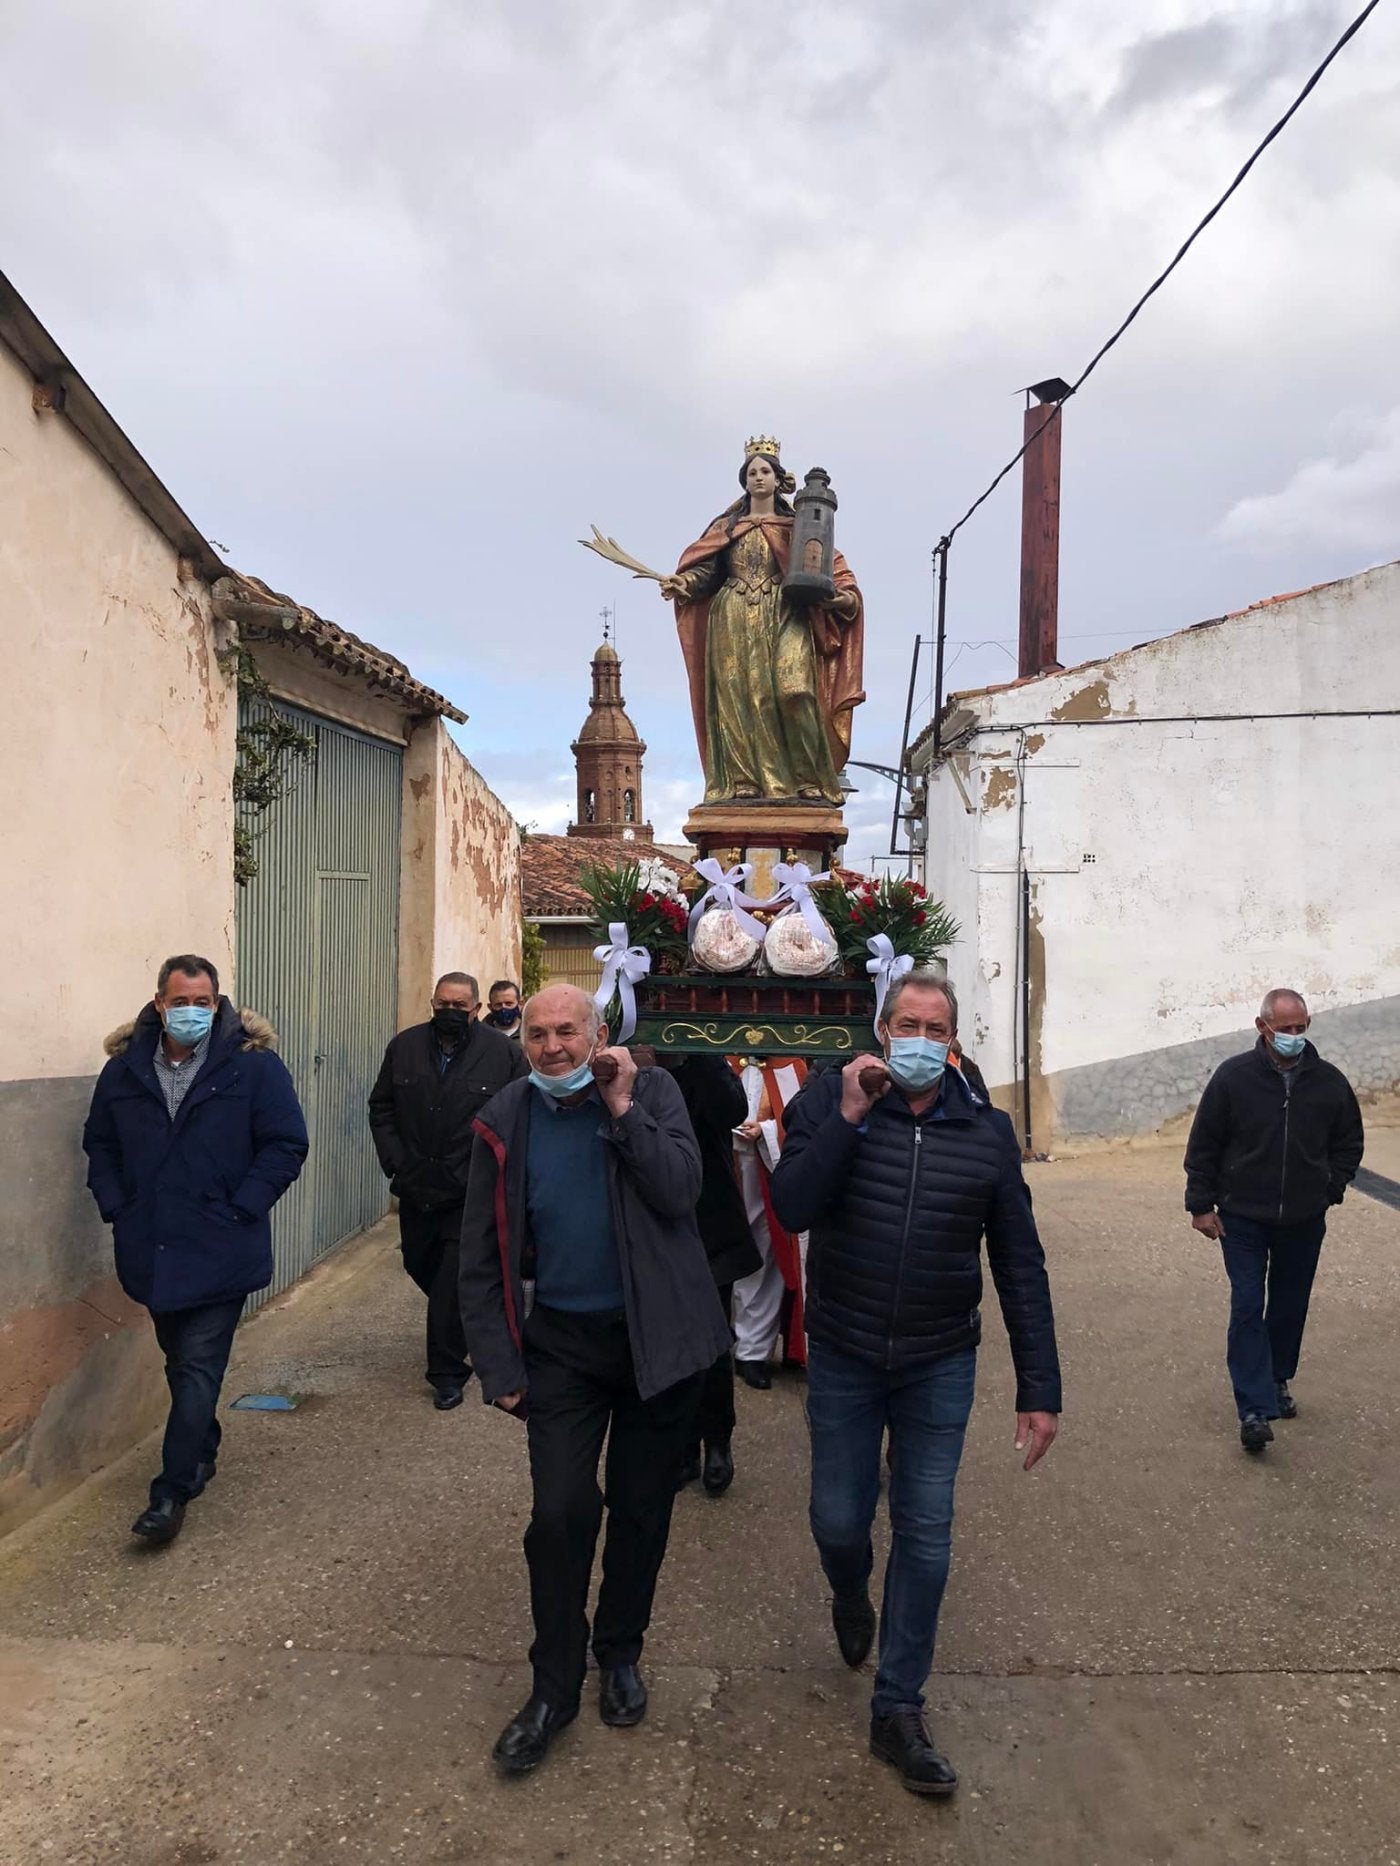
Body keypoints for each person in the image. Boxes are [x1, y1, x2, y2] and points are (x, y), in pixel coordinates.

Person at [771, 973, 1061, 1797]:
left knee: (927, 1537)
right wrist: (852, 1119)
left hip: (939, 1359)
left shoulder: (987, 1131)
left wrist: (1040, 1385)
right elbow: (791, 1207)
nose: (922, 1040)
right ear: (882, 1028)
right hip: (845, 1352)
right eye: (908, 1024)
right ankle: (847, 1589)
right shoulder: (830, 1105)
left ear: (955, 1041)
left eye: (937, 1027)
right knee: (837, 1518)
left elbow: (1019, 1261)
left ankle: (898, 1708)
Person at [459, 985, 732, 1777]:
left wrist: (620, 1107)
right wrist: (499, 1368)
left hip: (659, 1346)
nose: (552, 1047)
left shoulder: (651, 1090)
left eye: (567, 1032)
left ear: (599, 1032)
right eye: (538, 1034)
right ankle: (553, 1687)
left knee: (642, 1510)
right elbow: (477, 1253)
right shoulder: (507, 1115)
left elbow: (681, 1190)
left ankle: (619, 1653)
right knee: (560, 1514)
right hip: (564, 1350)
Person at [82, 954, 308, 1546]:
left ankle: (170, 1491)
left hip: (221, 1246)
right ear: (160, 1004)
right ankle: (202, 1448)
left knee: (198, 1364)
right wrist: (117, 1204)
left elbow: (286, 1143)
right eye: (179, 1001)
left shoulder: (252, 1068)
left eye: (201, 1002)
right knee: (181, 1361)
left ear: (217, 1004)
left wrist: (244, 1206)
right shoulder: (125, 1071)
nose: (191, 1012)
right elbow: (99, 1144)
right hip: (151, 1247)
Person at [1184, 987, 1364, 1454]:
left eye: (1301, 1027)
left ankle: (1278, 1380)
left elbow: (1348, 1142)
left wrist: (1330, 1188)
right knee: (1247, 1305)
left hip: (1303, 1218)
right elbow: (1204, 1143)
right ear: (1262, 1026)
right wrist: (1200, 1204)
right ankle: (1253, 1408)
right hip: (1242, 1217)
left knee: (1289, 1304)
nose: (1294, 1036)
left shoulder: (1328, 1083)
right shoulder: (1233, 1078)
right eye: (1285, 1028)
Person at [660, 437, 864, 804]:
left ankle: (806, 779)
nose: (758, 478)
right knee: (737, 697)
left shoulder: (796, 525)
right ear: (744, 479)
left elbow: (832, 569)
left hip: (785, 611)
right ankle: (742, 781)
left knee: (795, 690)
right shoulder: (726, 528)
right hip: (733, 613)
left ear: (777, 478)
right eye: (751, 472)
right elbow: (707, 571)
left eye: (764, 471)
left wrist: (841, 596)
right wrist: (685, 582)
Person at [368, 971, 525, 1409]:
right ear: (431, 1003)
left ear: (476, 1010)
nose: (450, 1013)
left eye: (460, 1007)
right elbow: (381, 1106)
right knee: (419, 1264)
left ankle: (447, 1373)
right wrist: (395, 1160)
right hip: (418, 1187)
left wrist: (499, 1174)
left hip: (469, 1193)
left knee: (449, 1283)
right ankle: (462, 1325)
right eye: (443, 1005)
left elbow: (519, 1116)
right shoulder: (406, 1047)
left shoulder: (503, 1055)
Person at [661, 1054, 760, 1496]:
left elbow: (733, 1108)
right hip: (657, 1224)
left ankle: (717, 1441)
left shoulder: (707, 1065)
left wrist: (700, 1055)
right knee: (665, 1344)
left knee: (714, 1342)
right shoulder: (638, 1065)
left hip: (709, 1224)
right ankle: (680, 1448)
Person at [731, 1057, 809, 1387]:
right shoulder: (720, 1056)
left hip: (771, 1170)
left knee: (769, 1256)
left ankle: (754, 1350)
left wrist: (765, 1131)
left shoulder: (793, 1064)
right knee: (740, 1254)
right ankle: (740, 1347)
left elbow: (802, 1123)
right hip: (729, 1170)